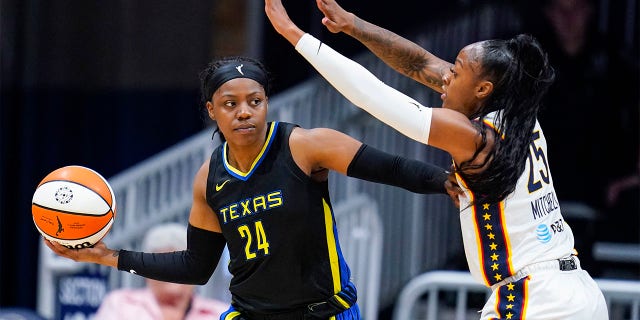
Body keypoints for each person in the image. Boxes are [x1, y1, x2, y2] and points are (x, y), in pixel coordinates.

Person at [44, 53, 462, 319]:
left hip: (323, 313)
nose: (244, 112)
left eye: (255, 101)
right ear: (212, 111)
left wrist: (445, 181)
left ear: (266, 102)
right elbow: (195, 266)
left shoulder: (304, 145)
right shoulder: (209, 177)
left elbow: (388, 167)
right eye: (230, 104)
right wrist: (105, 256)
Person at [263, 0, 609, 318]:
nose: (445, 76)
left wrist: (296, 36)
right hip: (580, 292)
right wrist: (353, 25)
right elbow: (420, 63)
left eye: (456, 72)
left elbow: (372, 94)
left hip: (538, 299)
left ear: (483, 90)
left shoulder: (473, 137)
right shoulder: (519, 117)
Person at [93, 222, 229, 320]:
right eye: (162, 264)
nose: (171, 273)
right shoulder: (120, 303)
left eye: (180, 265)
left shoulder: (220, 313)